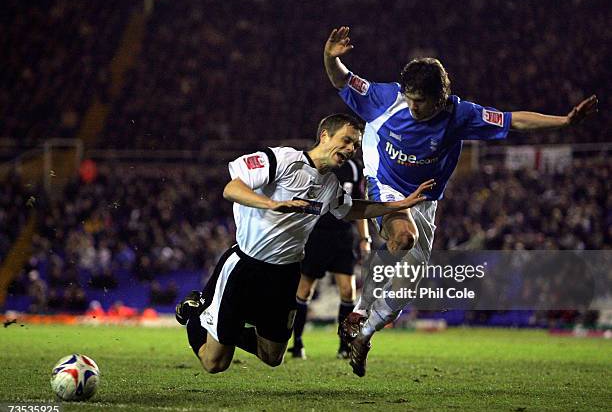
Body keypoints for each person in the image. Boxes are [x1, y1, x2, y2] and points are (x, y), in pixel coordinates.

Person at [323, 26, 599, 377]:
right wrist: (330, 57)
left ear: (439, 98)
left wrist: (564, 120)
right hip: (386, 186)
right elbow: (341, 80)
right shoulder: (384, 99)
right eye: (409, 98)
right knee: (401, 238)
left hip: (425, 202)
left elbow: (514, 121)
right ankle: (360, 309)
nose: (412, 106)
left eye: (419, 101)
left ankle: (365, 332)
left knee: (409, 281)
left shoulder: (460, 115)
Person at [175, 113, 435, 374]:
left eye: (355, 145)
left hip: (285, 274)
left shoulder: (331, 186)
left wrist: (398, 205)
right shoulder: (282, 160)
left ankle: (222, 328)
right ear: (324, 135)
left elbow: (352, 210)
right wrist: (273, 204)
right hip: (245, 268)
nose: (350, 149)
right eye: (346, 140)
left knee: (273, 356)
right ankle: (195, 317)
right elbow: (231, 189)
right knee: (215, 363)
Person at [287, 157, 371, 360]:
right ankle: (297, 344)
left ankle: (344, 346)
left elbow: (360, 206)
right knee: (304, 290)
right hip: (316, 234)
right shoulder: (315, 165)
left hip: (343, 235)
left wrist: (364, 238)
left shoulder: (354, 168)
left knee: (348, 291)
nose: (349, 147)